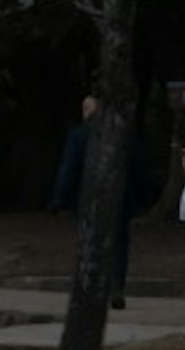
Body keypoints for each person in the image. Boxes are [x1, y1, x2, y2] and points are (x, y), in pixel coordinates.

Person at [50, 92, 157, 309]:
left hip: (89, 199)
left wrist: (59, 199)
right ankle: (116, 285)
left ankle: (92, 287)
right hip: (120, 198)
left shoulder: (79, 136)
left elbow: (68, 170)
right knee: (119, 243)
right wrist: (145, 198)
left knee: (90, 242)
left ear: (87, 111)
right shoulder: (123, 135)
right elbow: (139, 169)